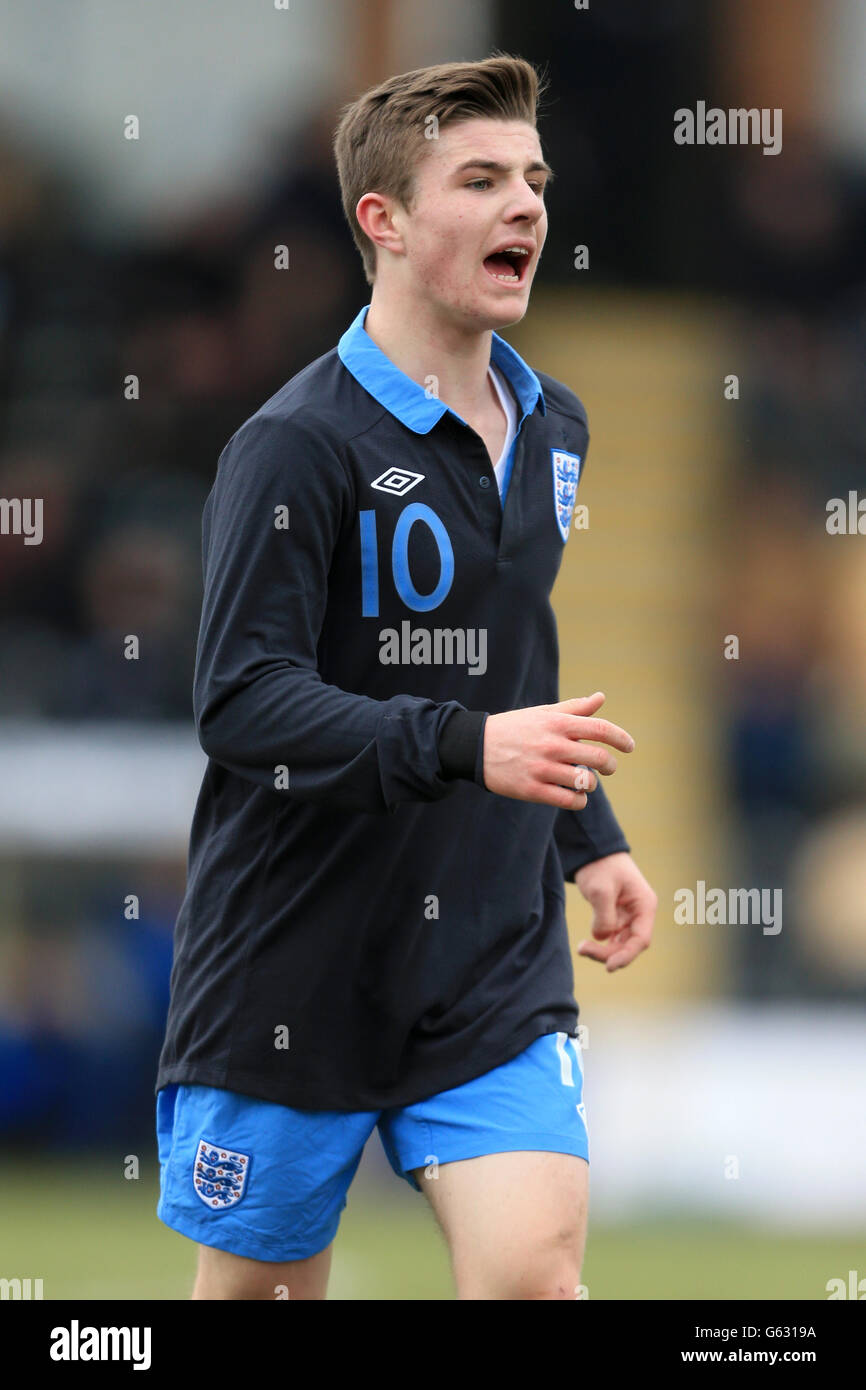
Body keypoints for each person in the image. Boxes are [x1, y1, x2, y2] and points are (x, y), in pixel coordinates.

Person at [155, 53, 657, 1301]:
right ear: (380, 219)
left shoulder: (553, 426)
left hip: (487, 954)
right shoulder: (292, 445)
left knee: (534, 1278)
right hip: (293, 964)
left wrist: (584, 834)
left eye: (532, 180)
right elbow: (238, 701)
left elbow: (513, 652)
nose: (526, 206)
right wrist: (458, 745)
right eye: (480, 179)